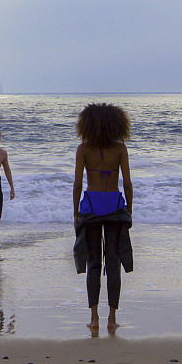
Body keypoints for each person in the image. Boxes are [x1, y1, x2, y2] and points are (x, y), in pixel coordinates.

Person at [73, 103, 134, 331]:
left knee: (94, 264)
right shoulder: (120, 149)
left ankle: (94, 318)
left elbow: (78, 184)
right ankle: (112, 318)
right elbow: (127, 183)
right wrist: (129, 209)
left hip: (90, 207)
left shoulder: (83, 149)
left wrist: (75, 211)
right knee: (114, 263)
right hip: (115, 207)